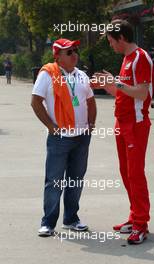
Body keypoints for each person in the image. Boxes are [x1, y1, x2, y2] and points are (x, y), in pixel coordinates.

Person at [91, 19, 154, 245]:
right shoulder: (127, 59)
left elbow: (142, 93)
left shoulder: (140, 58)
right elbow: (124, 91)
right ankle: (134, 216)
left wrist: (115, 83)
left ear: (122, 38)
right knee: (126, 172)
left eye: (111, 41)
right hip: (122, 122)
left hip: (136, 125)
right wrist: (105, 86)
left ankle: (141, 224)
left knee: (135, 174)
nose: (111, 46)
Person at [31, 38, 97, 237]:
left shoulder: (82, 75)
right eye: (69, 52)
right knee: (54, 181)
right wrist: (51, 127)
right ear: (58, 56)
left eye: (75, 51)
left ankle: (71, 219)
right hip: (60, 138)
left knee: (76, 180)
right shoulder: (48, 75)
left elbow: (90, 101)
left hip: (81, 137)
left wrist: (91, 125)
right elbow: (35, 102)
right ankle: (48, 223)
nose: (75, 55)